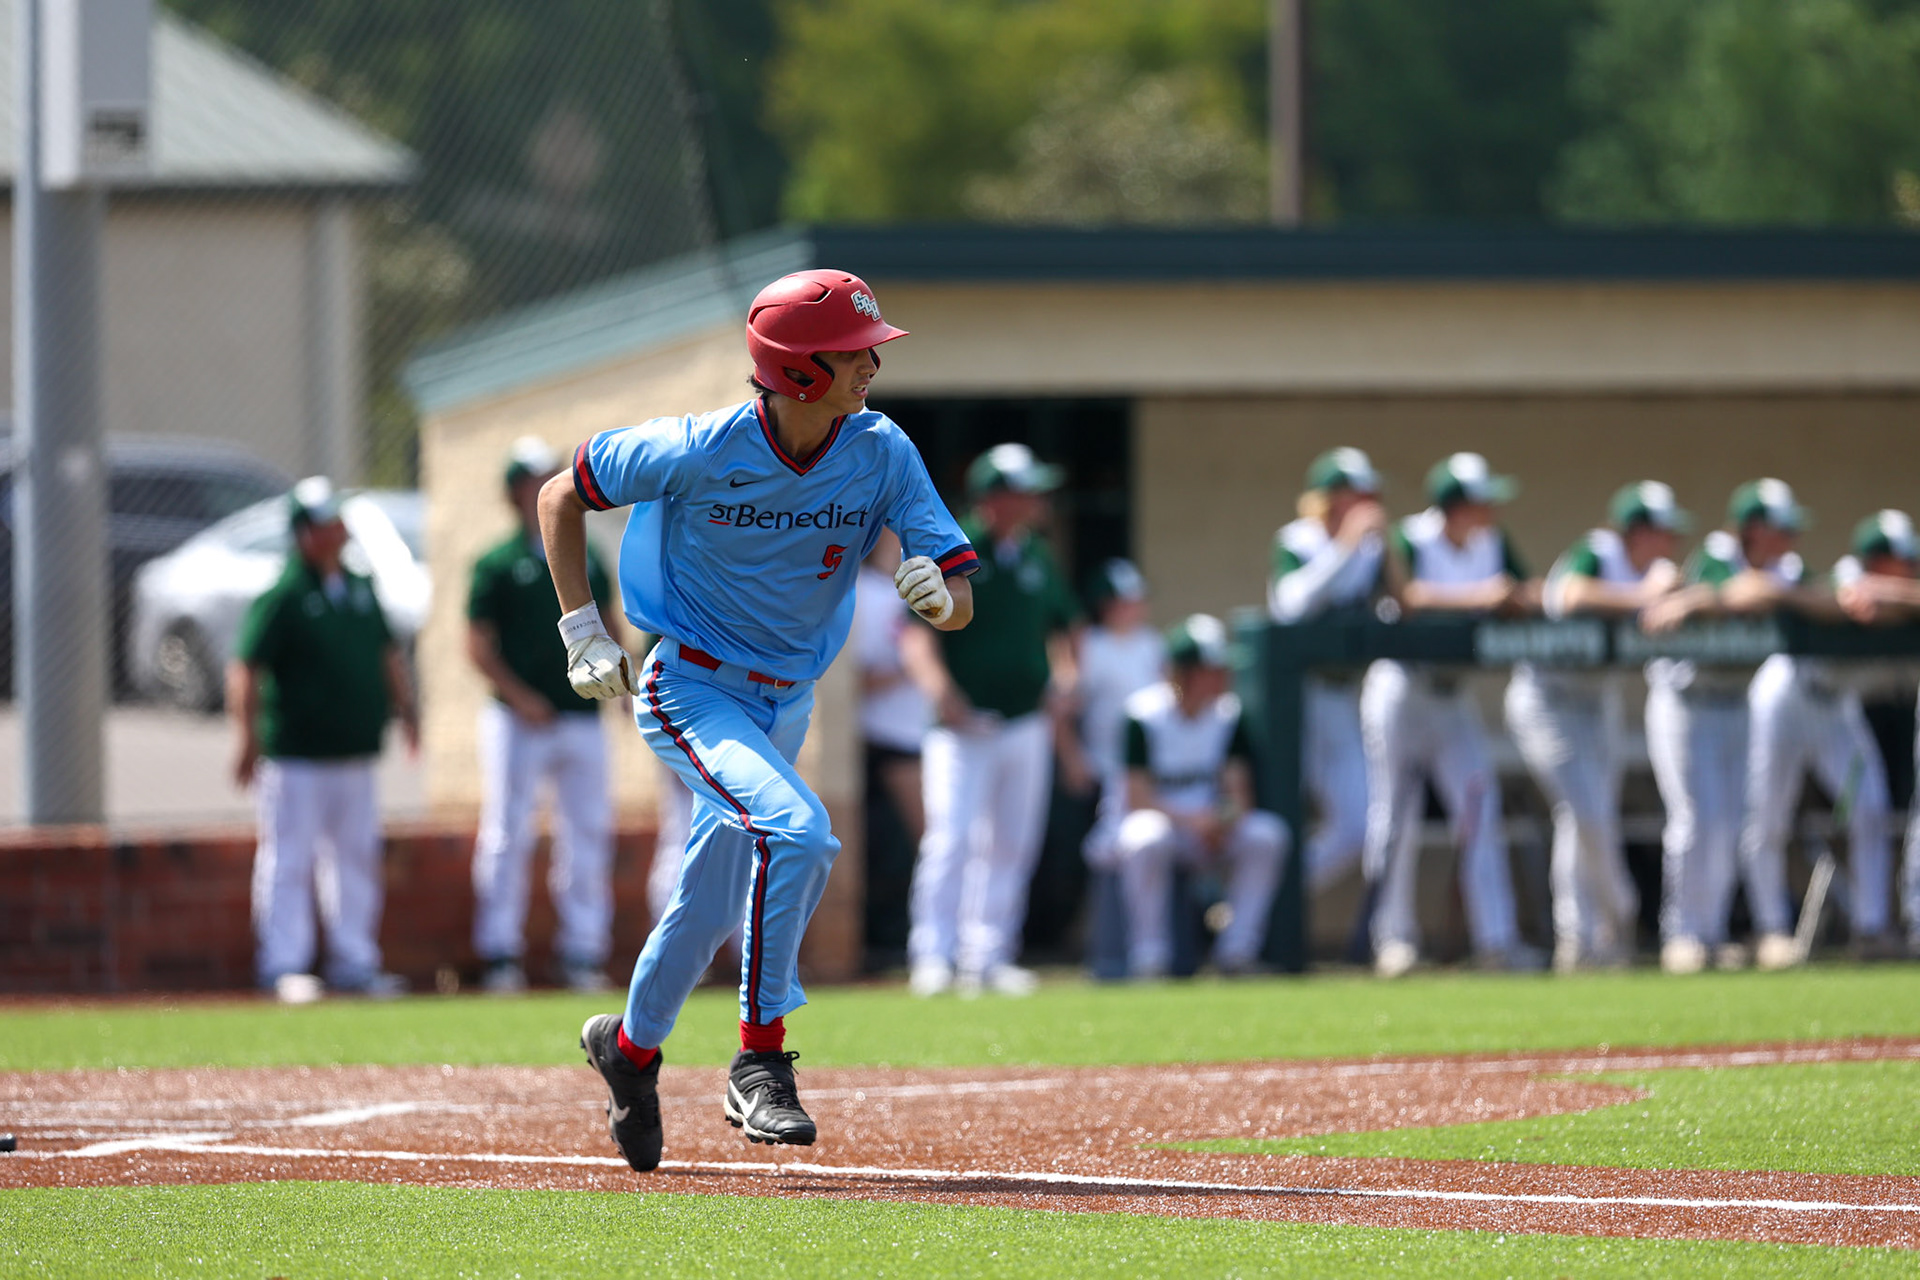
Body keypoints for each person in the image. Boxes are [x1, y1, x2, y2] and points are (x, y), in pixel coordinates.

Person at [546, 269, 976, 1173]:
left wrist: (943, 599)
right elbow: (560, 496)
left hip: (788, 700)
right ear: (800, 368)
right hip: (690, 686)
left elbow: (959, 590)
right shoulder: (695, 447)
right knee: (802, 834)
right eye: (855, 351)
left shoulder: (882, 450)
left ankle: (627, 1051)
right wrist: (582, 629)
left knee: (705, 902)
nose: (872, 365)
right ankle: (760, 1060)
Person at [229, 477, 418, 1003]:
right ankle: (282, 964)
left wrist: (407, 712)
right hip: (295, 757)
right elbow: (245, 667)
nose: (336, 533)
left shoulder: (359, 587)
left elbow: (387, 655)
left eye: (337, 522)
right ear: (302, 534)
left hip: (354, 752)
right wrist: (246, 737)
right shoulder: (284, 595)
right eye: (323, 525)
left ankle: (355, 961)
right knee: (290, 857)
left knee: (356, 856)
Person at [900, 442, 1079, 998]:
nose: (1036, 502)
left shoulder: (1036, 555)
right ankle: (933, 955)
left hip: (1025, 720)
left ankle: (990, 954)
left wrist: (1068, 676)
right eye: (1025, 492)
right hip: (962, 725)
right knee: (950, 838)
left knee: (1012, 842)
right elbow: (915, 634)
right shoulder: (954, 547)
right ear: (995, 498)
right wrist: (940, 691)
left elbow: (1061, 627)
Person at [1641, 479, 1833, 972]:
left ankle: (1711, 932)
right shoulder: (1717, 553)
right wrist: (1711, 598)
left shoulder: (1783, 571)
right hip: (1686, 699)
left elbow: (1825, 600)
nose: (1790, 540)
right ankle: (1681, 934)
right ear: (1752, 531)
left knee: (1730, 824)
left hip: (1737, 702)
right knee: (1693, 820)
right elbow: (1721, 592)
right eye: (1779, 530)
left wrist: (1772, 590)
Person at [1363, 452, 1541, 978]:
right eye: (1482, 502)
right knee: (1395, 818)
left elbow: (1521, 589)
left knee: (1478, 808)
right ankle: (1393, 940)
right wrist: (1482, 595)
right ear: (1456, 506)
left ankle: (1497, 941)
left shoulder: (1492, 542)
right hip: (1401, 686)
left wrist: (1513, 599)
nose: (1490, 511)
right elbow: (1409, 596)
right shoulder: (1410, 538)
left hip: (1453, 694)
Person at [1504, 482, 1687, 972]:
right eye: (1662, 533)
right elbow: (1568, 595)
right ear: (1637, 532)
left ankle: (1581, 940)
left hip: (1597, 701)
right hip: (1547, 697)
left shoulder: (1658, 573)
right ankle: (1619, 914)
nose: (1669, 543)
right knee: (1587, 812)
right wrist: (1644, 594)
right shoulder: (1599, 551)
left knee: (1584, 818)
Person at [466, 438, 619, 994]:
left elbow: (607, 624)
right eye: (536, 477)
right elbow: (477, 645)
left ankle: (582, 951)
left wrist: (621, 689)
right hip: (518, 719)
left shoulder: (588, 554)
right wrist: (520, 695)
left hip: (580, 715)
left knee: (587, 833)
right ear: (515, 492)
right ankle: (500, 952)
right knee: (508, 831)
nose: (548, 484)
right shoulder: (496, 564)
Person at [1738, 510, 1910, 961]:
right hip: (1788, 693)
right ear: (1874, 559)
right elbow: (1842, 600)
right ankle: (1771, 927)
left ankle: (1871, 927)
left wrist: (1894, 595)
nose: (1908, 566)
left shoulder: (1900, 593)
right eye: (1898, 560)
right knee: (1769, 815)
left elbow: (1890, 604)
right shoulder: (1845, 576)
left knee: (1869, 809)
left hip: (1837, 710)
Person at [1112, 615, 1290, 977]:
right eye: (1214, 669)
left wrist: (1223, 820)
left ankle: (1236, 953)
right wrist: (1196, 821)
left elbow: (1238, 792)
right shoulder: (1142, 715)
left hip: (1210, 828)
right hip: (1165, 826)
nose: (1225, 676)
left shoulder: (1228, 715)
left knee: (1266, 835)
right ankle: (1150, 958)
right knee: (1146, 835)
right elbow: (1137, 798)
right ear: (1186, 674)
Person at [1268, 447, 1389, 894]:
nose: (1367, 502)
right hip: (1294, 696)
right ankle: (1255, 916)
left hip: (1342, 697)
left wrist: (1379, 549)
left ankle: (1272, 899)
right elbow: (1292, 604)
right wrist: (1344, 546)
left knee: (1358, 828)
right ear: (1330, 498)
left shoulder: (1370, 549)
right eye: (1356, 494)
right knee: (1275, 820)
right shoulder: (1297, 540)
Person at [853, 529, 932, 965]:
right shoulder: (861, 591)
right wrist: (916, 665)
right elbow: (853, 681)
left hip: (921, 733)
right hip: (883, 736)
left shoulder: (921, 586)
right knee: (923, 842)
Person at [1073, 559, 1164, 874]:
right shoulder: (1090, 646)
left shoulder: (1152, 643)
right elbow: (1068, 707)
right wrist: (1074, 757)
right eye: (1124, 601)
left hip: (1147, 768)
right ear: (1106, 605)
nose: (1133, 608)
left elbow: (1170, 693)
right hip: (1099, 768)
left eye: (1137, 600)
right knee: (1100, 852)